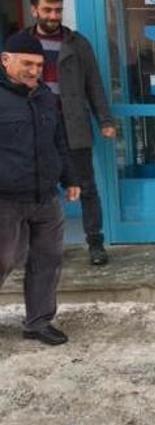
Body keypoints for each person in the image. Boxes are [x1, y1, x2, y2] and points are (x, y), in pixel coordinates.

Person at [0, 32, 80, 346]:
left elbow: (58, 141)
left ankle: (38, 322)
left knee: (47, 260)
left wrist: (71, 179)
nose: (34, 71)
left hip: (46, 197)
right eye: (27, 63)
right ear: (6, 60)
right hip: (6, 198)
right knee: (4, 260)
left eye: (39, 65)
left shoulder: (45, 96)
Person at [27, 0, 115, 265]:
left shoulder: (77, 43)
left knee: (86, 186)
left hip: (72, 125)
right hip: (37, 127)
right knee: (39, 188)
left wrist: (105, 120)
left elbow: (94, 84)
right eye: (47, 11)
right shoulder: (21, 43)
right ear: (35, 11)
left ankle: (95, 243)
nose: (54, 16)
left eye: (58, 11)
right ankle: (41, 247)